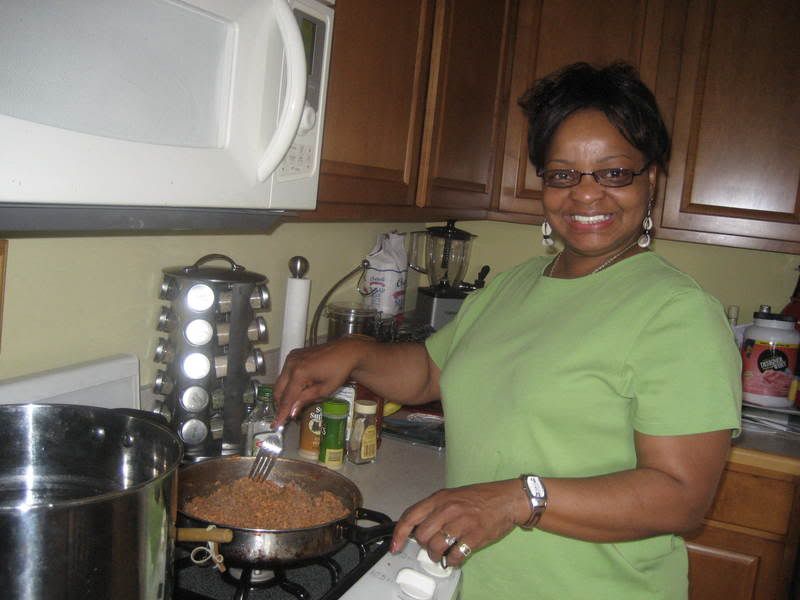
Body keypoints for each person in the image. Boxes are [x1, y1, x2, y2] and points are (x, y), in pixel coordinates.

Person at [273, 62, 741, 599]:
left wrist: (519, 499)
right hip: (479, 581)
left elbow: (682, 497)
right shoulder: (515, 284)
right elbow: (429, 372)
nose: (586, 195)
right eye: (563, 174)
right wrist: (355, 352)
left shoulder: (678, 312)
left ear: (650, 180)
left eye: (614, 172)